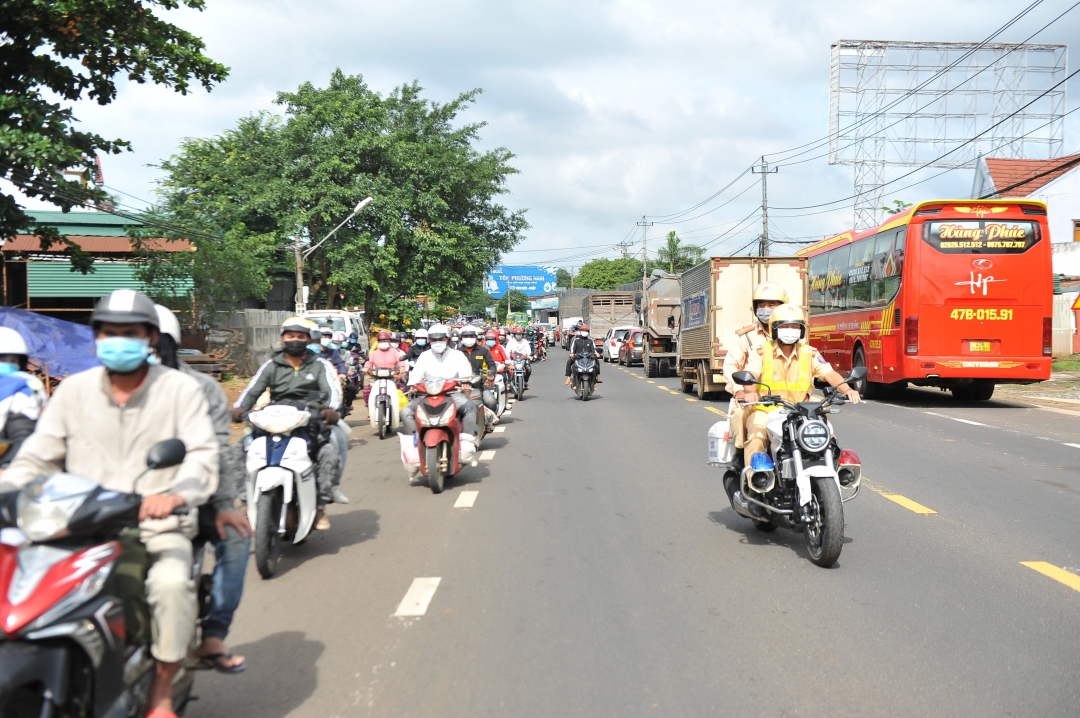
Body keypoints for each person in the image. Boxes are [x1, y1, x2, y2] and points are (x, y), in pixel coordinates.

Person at [3, 290, 218, 718]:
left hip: (154, 524)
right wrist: (9, 487)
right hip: (72, 523)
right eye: (109, 332)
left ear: (150, 338)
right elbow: (36, 456)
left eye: (130, 333)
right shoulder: (74, 391)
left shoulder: (181, 390)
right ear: (96, 337)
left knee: (171, 585)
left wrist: (174, 495)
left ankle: (160, 688)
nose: (118, 340)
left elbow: (201, 458)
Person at [152, 306, 249, 675]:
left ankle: (214, 632)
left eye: (151, 340)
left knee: (237, 538)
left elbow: (219, 449)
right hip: (119, 499)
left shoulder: (201, 388)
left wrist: (225, 503)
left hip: (193, 493)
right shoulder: (94, 388)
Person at [728, 303, 860, 483]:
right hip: (767, 410)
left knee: (826, 433)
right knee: (756, 437)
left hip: (802, 410)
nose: (790, 330)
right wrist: (750, 392)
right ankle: (754, 482)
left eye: (795, 326)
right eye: (784, 326)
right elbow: (751, 374)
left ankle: (835, 466)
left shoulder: (809, 353)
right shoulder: (761, 352)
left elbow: (829, 373)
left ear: (802, 329)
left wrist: (848, 389)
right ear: (774, 328)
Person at [231, 317, 341, 530]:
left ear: (308, 339)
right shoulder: (271, 365)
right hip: (275, 417)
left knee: (329, 452)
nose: (295, 340)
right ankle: (246, 502)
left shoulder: (319, 365)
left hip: (309, 419)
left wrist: (331, 410)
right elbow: (252, 390)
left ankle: (320, 505)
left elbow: (330, 392)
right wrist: (239, 408)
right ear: (282, 339)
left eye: (300, 337)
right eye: (290, 336)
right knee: (238, 451)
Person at [398, 324, 478, 480]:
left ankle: (466, 443)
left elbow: (466, 374)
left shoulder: (457, 355)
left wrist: (466, 382)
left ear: (447, 339)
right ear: (429, 340)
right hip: (426, 395)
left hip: (452, 394)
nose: (437, 342)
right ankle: (415, 445)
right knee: (406, 411)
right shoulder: (424, 356)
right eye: (433, 339)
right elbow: (416, 376)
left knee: (469, 407)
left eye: (440, 339)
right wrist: (412, 385)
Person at [0, 327, 46, 471]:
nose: (6, 364)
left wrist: (6, 469)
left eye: (12, 360)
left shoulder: (24, 390)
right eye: (2, 359)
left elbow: (23, 438)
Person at [460, 326, 499, 429]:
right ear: (461, 338)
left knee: (490, 402)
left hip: (479, 385)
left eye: (471, 336)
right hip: (459, 387)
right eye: (466, 336)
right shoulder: (456, 352)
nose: (468, 338)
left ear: (476, 337)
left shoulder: (483, 350)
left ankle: (487, 421)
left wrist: (491, 375)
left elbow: (491, 364)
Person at [364, 331, 407, 421]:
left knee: (401, 390)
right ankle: (370, 412)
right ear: (378, 342)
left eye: (385, 340)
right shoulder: (374, 353)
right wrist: (366, 367)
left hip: (392, 377)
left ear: (388, 341)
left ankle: (399, 412)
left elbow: (400, 361)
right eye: (381, 341)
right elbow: (369, 362)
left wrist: (402, 368)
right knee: (367, 391)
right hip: (376, 378)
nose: (383, 343)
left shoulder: (394, 352)